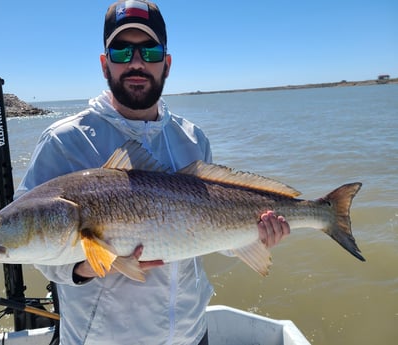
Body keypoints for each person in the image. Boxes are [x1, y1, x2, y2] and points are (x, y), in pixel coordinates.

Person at [15, 1, 290, 344]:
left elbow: (210, 230)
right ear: (104, 65)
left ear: (167, 64)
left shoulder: (192, 138)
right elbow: (34, 242)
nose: (136, 62)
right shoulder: (64, 141)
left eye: (150, 50)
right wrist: (91, 265)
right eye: (121, 51)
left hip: (191, 334)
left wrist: (256, 236)